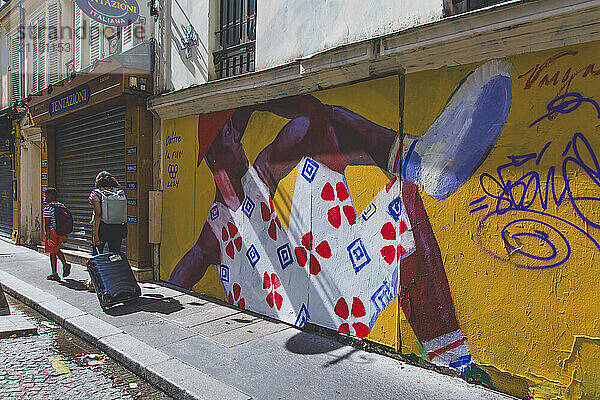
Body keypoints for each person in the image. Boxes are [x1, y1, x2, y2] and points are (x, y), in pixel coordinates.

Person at [170, 59, 512, 371]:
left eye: (237, 129)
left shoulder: (258, 174)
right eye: (231, 133)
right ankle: (417, 160)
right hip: (313, 313)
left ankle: (453, 359)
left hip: (331, 289)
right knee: (323, 127)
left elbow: (311, 117)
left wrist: (257, 98)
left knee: (400, 195)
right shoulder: (217, 227)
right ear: (215, 154)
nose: (238, 138)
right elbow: (180, 278)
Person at [88, 171, 126, 255]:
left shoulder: (96, 193)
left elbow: (98, 214)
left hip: (102, 227)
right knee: (115, 254)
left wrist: (95, 234)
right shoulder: (118, 193)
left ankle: (100, 268)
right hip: (117, 227)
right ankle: (114, 268)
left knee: (97, 255)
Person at [43, 188, 71, 281]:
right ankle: (65, 264)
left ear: (51, 196)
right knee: (56, 249)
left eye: (46, 195)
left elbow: (47, 224)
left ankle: (54, 273)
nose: (45, 197)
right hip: (61, 232)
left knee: (52, 252)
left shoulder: (48, 208)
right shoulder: (61, 206)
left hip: (53, 232)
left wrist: (48, 237)